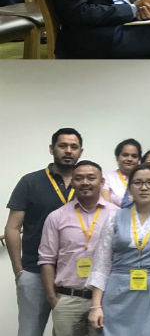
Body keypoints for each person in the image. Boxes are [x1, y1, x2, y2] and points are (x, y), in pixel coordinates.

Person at [87, 164, 150, 335]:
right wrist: (95, 306)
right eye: (137, 182)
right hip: (117, 293)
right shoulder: (114, 218)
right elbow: (101, 264)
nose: (144, 187)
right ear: (129, 187)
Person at [5, 128, 83, 336]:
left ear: (80, 152)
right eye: (62, 146)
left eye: (73, 147)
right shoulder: (30, 182)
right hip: (34, 272)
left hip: (73, 278)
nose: (68, 151)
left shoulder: (86, 184)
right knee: (30, 332)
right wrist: (19, 271)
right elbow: (12, 227)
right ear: (52, 149)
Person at [38, 160, 119, 336]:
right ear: (72, 182)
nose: (85, 182)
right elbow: (46, 260)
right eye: (79, 178)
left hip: (105, 300)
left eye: (91, 178)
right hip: (67, 299)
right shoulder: (56, 217)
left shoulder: (117, 215)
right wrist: (53, 299)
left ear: (102, 182)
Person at [101, 138, 141, 207]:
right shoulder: (107, 177)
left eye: (134, 156)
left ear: (138, 160)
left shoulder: (143, 179)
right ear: (117, 158)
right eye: (125, 155)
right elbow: (106, 206)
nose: (129, 159)